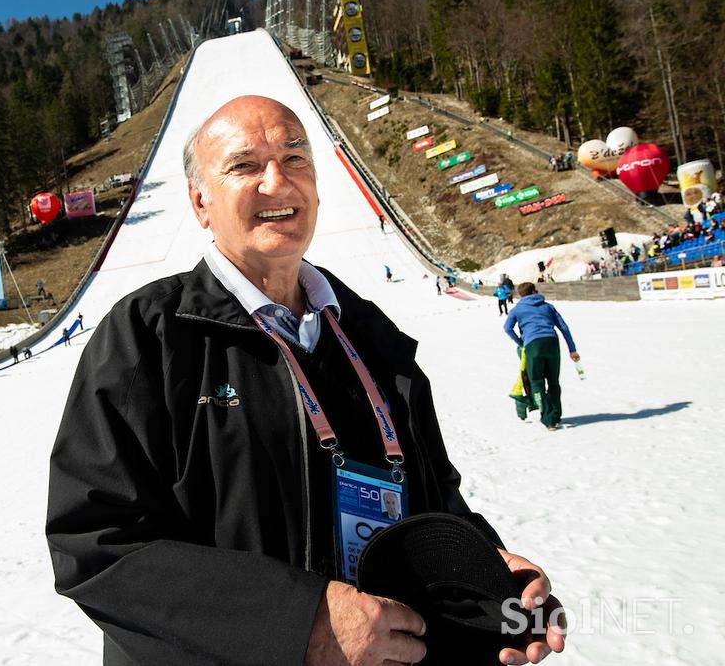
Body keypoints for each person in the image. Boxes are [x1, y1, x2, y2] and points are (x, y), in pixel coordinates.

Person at [47, 96, 563, 666]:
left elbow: (432, 495)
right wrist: (299, 621)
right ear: (200, 202)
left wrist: (487, 573)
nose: (278, 182)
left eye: (296, 159)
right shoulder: (148, 337)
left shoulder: (369, 334)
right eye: (244, 166)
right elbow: (97, 544)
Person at [503, 282, 580, 431]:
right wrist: (572, 349)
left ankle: (547, 418)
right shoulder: (547, 306)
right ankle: (555, 416)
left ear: (521, 294)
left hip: (533, 345)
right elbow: (563, 327)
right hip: (552, 342)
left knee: (537, 382)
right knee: (553, 382)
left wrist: (521, 342)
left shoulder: (517, 309)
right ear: (534, 291)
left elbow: (507, 328)